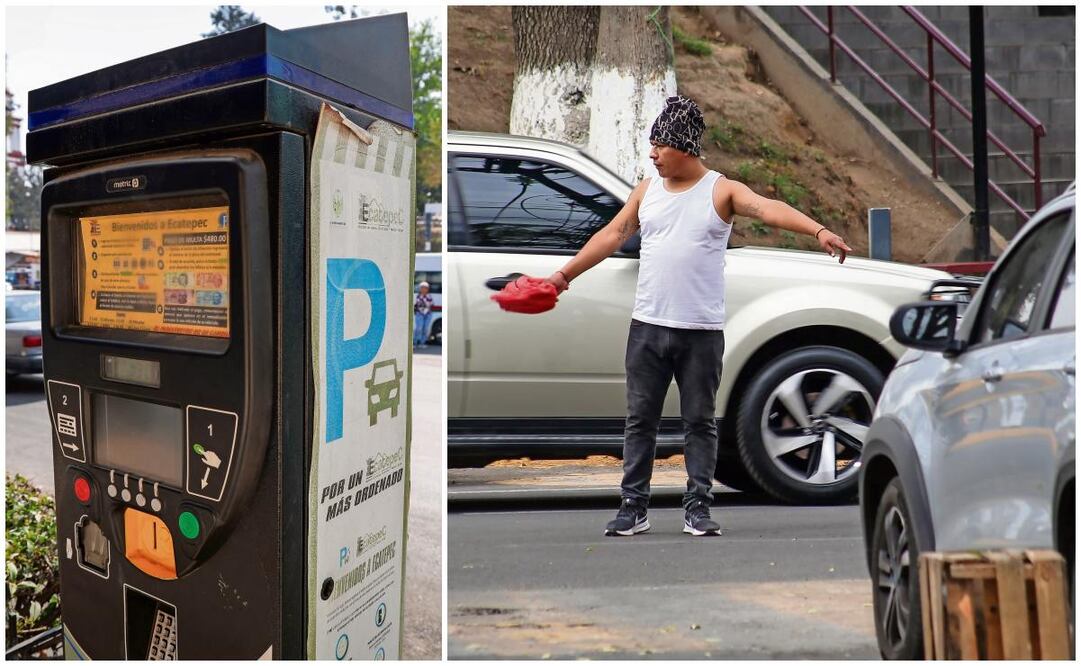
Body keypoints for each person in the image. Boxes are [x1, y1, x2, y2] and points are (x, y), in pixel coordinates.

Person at [545, 95, 852, 537]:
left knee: (700, 422)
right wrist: (562, 276)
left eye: (659, 145)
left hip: (700, 332)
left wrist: (819, 230)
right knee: (640, 421)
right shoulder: (647, 190)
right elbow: (613, 234)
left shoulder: (720, 190)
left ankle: (698, 506)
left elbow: (767, 208)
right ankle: (633, 506)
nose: (652, 154)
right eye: (651, 145)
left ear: (684, 146)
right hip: (648, 326)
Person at [413, 281, 433, 348]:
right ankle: (414, 343)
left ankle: (422, 343)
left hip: (428, 314)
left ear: (428, 289)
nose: (424, 289)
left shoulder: (429, 296)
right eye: (422, 288)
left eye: (425, 288)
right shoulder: (418, 296)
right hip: (419, 314)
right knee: (418, 328)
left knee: (425, 329)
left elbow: (429, 304)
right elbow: (417, 304)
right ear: (420, 289)